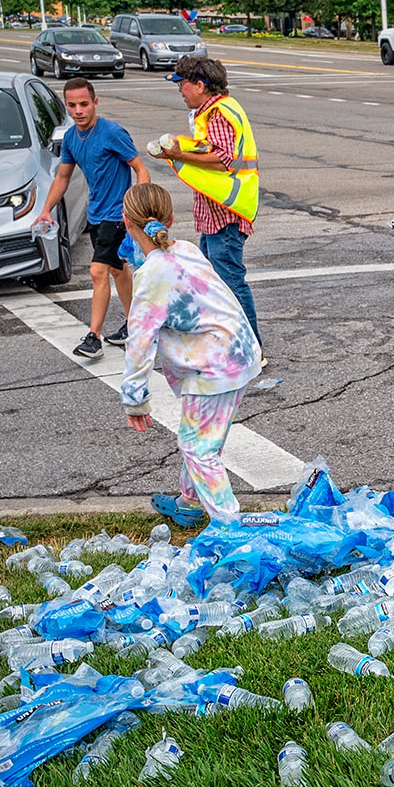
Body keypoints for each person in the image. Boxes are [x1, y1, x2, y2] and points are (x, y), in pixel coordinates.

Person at [116, 183, 261, 528]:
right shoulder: (185, 250)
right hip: (238, 352)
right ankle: (190, 502)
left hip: (214, 366)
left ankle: (230, 527)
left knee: (198, 446)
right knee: (203, 436)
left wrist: (135, 399)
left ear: (126, 222)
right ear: (171, 218)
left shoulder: (152, 276)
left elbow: (139, 340)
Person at [149, 55, 263, 366]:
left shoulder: (218, 113)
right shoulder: (213, 111)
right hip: (215, 213)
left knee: (230, 282)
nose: (180, 90)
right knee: (215, 282)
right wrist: (179, 151)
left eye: (182, 84)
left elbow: (224, 158)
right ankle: (228, 343)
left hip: (226, 213)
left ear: (200, 85)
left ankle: (251, 349)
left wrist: (179, 154)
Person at [34, 78, 151, 360]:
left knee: (98, 272)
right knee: (117, 271)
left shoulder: (112, 133)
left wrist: (137, 207)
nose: (79, 110)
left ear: (95, 102)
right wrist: (46, 209)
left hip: (118, 216)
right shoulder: (72, 138)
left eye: (84, 104)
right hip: (96, 214)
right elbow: (63, 177)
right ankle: (135, 325)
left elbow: (140, 168)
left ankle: (93, 337)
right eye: (72, 105)